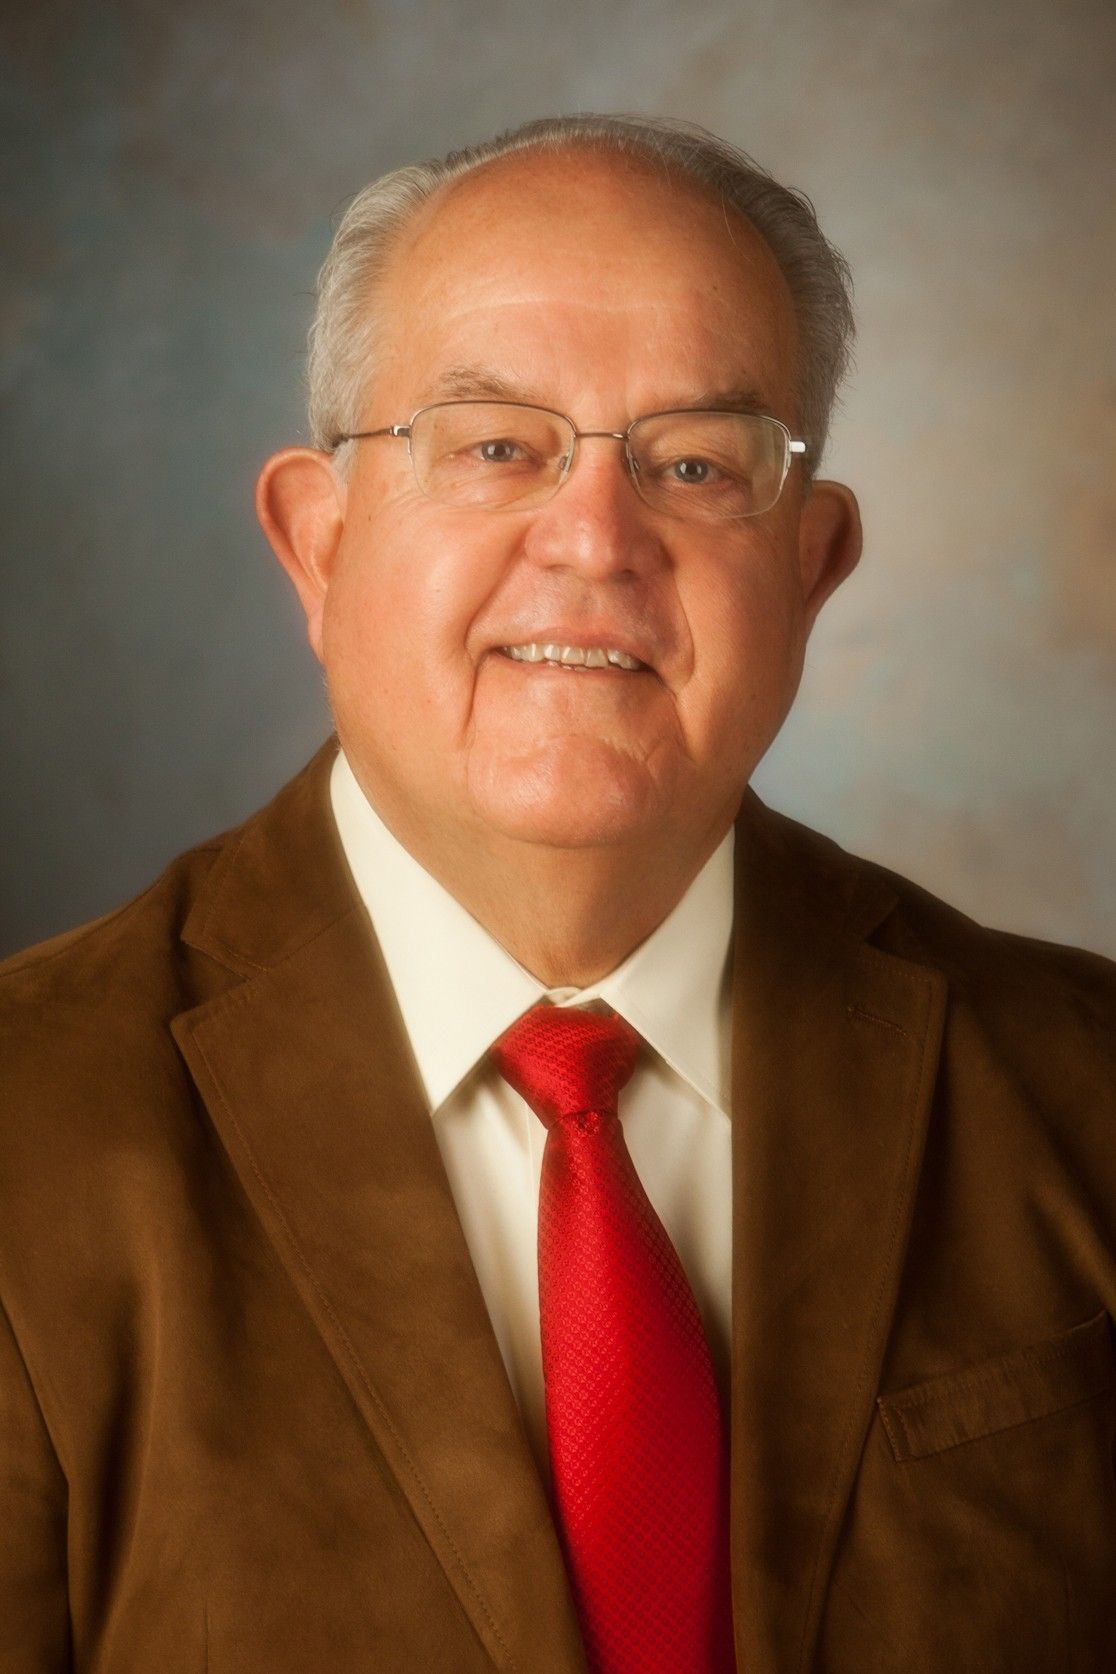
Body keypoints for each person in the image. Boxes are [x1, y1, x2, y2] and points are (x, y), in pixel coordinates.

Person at [1, 113, 1113, 1674]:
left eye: (696, 463)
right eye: (495, 447)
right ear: (319, 545)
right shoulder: (29, 1130)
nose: (595, 541)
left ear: (812, 565)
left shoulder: (1083, 1088)